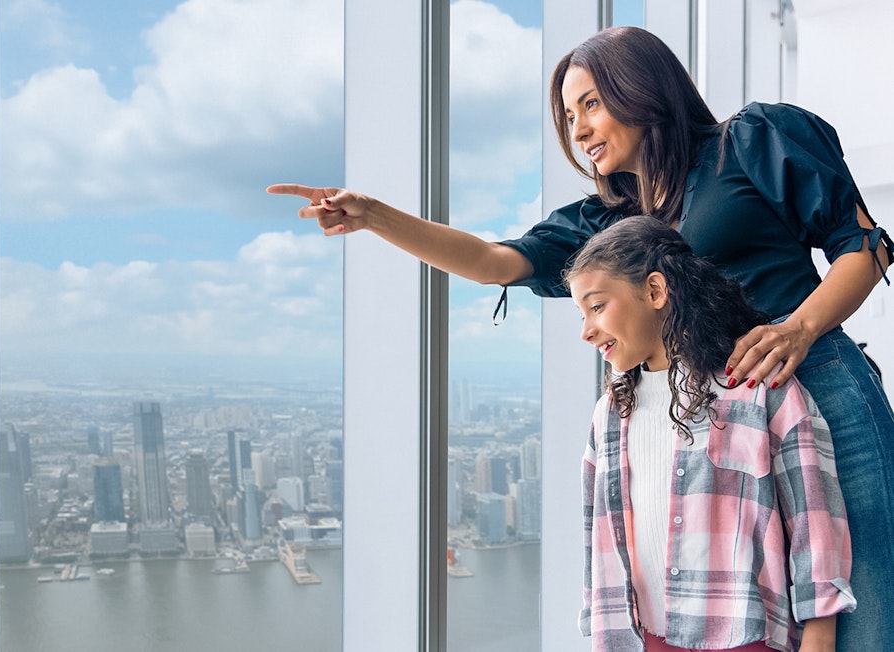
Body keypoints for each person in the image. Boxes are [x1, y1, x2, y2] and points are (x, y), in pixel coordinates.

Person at [267, 25, 894, 649]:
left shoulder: (753, 139)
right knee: (772, 623)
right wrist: (374, 216)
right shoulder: (608, 223)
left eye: (591, 103)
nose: (579, 129)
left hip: (819, 388)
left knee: (864, 620)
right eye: (568, 115)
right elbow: (492, 261)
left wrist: (798, 329)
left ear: (642, 88)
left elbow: (863, 245)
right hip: (718, 430)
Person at [566, 216, 855, 652]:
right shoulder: (609, 413)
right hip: (644, 638)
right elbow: (597, 533)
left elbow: (815, 522)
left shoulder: (755, 388)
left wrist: (819, 636)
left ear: (655, 290)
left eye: (597, 306)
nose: (586, 330)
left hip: (746, 637)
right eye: (581, 313)